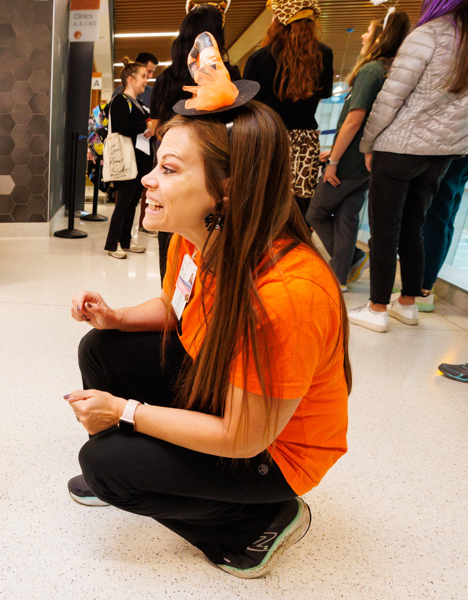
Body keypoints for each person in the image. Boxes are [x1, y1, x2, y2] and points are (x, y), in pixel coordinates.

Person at [65, 38, 350, 579]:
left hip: (274, 450)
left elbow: (246, 436)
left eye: (169, 170)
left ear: (226, 188)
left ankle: (257, 522)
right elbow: (177, 310)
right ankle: (152, 473)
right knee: (101, 348)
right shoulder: (196, 239)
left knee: (106, 467)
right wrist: (117, 317)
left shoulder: (287, 293)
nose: (148, 180)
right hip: (223, 386)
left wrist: (125, 414)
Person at [349, 0, 468, 333]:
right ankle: (408, 303)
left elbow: (391, 98)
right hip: (441, 154)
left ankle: (376, 308)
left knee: (384, 233)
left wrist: (368, 143)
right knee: (414, 228)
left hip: (400, 148)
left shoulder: (427, 35)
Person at [306, 13, 411, 291]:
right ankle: (340, 276)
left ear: (379, 38)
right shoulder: (390, 71)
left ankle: (351, 257)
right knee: (347, 217)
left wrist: (334, 161)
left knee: (315, 213)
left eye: (368, 32)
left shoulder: (370, 71)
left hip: (350, 161)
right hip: (367, 161)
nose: (363, 36)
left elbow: (354, 120)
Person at [150, 1, 240, 280]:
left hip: (170, 163)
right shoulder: (229, 75)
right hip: (210, 171)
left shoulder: (166, 78)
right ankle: (208, 294)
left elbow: (154, 126)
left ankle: (172, 299)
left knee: (169, 230)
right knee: (212, 236)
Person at [244, 0, 334, 220]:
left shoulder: (260, 57)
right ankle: (294, 252)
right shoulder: (324, 54)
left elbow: (245, 103)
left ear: (278, 20)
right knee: (298, 211)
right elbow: (325, 93)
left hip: (266, 138)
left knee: (261, 204)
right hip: (305, 142)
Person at [103, 60, 155, 259]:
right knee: (123, 203)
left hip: (139, 161)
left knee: (132, 202)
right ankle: (111, 243)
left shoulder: (139, 104)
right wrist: (145, 125)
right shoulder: (119, 101)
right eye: (143, 76)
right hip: (126, 161)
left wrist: (147, 128)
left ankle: (125, 241)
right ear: (130, 79)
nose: (146, 80)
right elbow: (122, 126)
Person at [419, 154, 468, 311]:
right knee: (446, 216)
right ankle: (425, 286)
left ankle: (422, 290)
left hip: (456, 149)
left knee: (437, 215)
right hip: (462, 151)